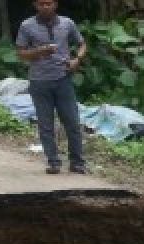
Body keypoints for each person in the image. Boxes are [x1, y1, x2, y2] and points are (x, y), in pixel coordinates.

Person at [16, 0, 88, 174]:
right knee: (45, 124)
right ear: (35, 5)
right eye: (41, 4)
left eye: (48, 3)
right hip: (39, 81)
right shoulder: (27, 25)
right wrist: (39, 52)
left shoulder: (67, 23)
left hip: (63, 78)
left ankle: (77, 162)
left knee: (72, 121)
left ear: (55, 4)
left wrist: (77, 59)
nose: (45, 7)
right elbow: (20, 52)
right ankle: (53, 161)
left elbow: (82, 44)